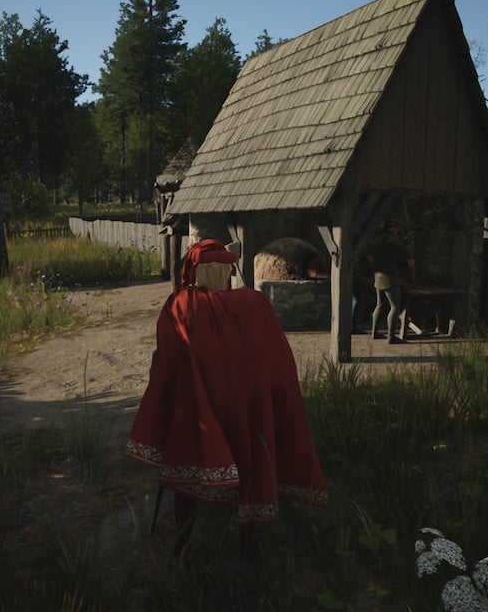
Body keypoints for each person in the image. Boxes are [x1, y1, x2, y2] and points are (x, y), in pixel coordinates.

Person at [125, 239, 328, 557]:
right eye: (216, 269)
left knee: (186, 455)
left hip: (200, 408)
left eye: (223, 269)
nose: (219, 275)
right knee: (250, 454)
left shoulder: (182, 303)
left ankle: (184, 541)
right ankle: (246, 536)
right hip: (250, 407)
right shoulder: (255, 301)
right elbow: (276, 358)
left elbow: (167, 362)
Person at [367, 224, 414, 344]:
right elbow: (402, 249)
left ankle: (374, 332)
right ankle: (391, 337)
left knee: (380, 304)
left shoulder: (376, 239)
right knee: (395, 306)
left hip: (377, 275)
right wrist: (409, 250)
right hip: (389, 276)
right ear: (392, 228)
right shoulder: (389, 239)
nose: (397, 230)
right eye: (396, 228)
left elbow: (371, 256)